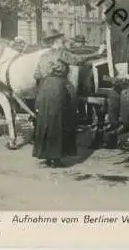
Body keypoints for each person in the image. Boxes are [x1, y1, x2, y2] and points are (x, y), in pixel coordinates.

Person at [32, 31, 105, 168]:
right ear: (56, 42)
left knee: (46, 122)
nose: (63, 42)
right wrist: (97, 53)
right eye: (61, 40)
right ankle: (56, 157)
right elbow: (78, 60)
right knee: (59, 122)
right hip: (58, 88)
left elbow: (36, 75)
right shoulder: (61, 53)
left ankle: (47, 156)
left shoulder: (43, 56)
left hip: (44, 88)